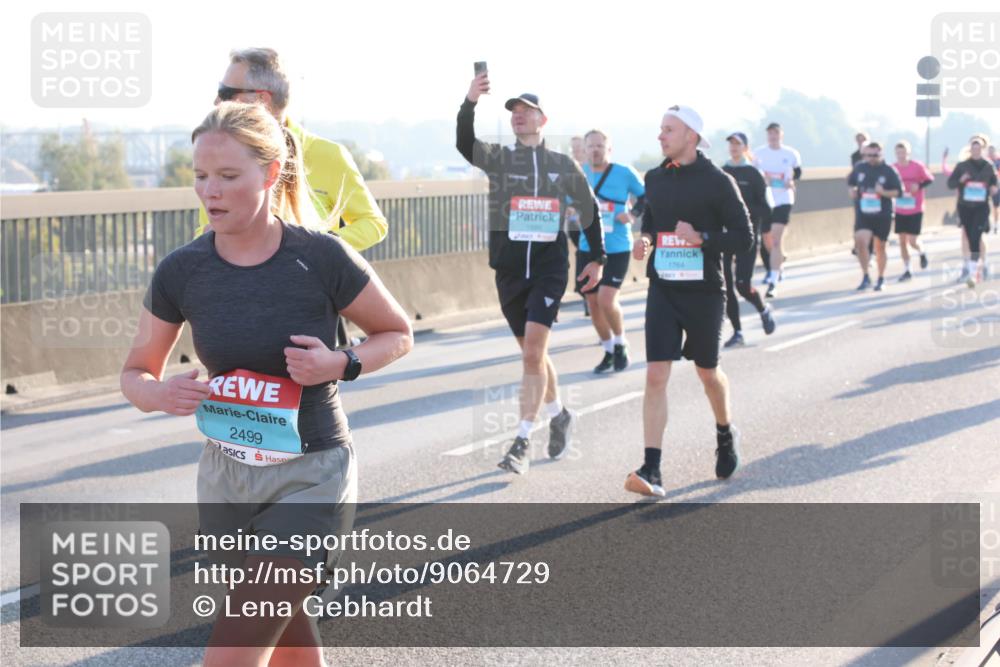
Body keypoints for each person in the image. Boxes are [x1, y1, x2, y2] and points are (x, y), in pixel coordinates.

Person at [120, 102, 413, 666]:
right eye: (201, 176)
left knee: (233, 649)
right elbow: (135, 372)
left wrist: (340, 363)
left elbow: (396, 333)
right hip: (229, 476)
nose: (211, 191)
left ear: (270, 174)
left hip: (311, 474)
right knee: (286, 642)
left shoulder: (321, 256)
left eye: (229, 177)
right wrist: (159, 395)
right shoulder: (183, 270)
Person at [456, 71, 606, 475]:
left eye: (527, 111)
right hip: (509, 272)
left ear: (543, 120)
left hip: (548, 270)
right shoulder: (501, 160)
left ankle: (521, 440)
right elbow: (464, 143)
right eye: (514, 112)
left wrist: (597, 258)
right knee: (532, 355)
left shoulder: (561, 165)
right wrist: (470, 102)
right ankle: (559, 414)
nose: (519, 116)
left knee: (534, 353)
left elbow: (589, 211)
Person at [208, 48, 389, 347]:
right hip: (240, 306)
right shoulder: (219, 156)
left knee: (311, 391)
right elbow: (207, 230)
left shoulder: (327, 155)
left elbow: (373, 223)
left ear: (261, 99)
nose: (217, 102)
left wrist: (318, 249)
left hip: (309, 308)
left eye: (227, 92)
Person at [624, 106, 752, 497]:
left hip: (705, 293)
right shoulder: (655, 177)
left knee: (707, 373)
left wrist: (704, 238)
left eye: (669, 130)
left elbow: (744, 238)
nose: (660, 136)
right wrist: (646, 240)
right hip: (663, 287)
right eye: (660, 129)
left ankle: (725, 432)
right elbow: (651, 220)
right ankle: (652, 468)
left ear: (691, 136)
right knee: (655, 374)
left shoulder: (718, 181)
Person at [579, 129, 645, 372]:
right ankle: (608, 350)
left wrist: (632, 214)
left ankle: (620, 342)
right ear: (585, 150)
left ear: (609, 149)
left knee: (607, 298)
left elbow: (646, 196)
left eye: (600, 146)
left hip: (617, 246)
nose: (595, 150)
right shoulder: (579, 173)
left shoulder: (624, 172)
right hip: (588, 246)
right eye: (591, 146)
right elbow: (564, 201)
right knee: (593, 302)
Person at [721, 132, 776, 347]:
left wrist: (742, 209)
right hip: (724, 236)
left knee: (743, 285)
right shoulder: (721, 172)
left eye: (737, 144)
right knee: (725, 285)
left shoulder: (754, 174)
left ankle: (763, 309)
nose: (733, 147)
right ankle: (737, 332)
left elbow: (766, 207)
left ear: (745, 147)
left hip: (747, 236)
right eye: (731, 144)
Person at [754, 122, 802, 297]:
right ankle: (777, 263)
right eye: (770, 134)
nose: (773, 136)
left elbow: (798, 172)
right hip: (766, 200)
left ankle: (773, 279)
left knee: (775, 238)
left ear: (781, 135)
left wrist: (791, 181)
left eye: (776, 133)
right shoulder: (759, 154)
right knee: (766, 238)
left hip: (783, 199)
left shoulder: (791, 154)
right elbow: (753, 175)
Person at [847, 141, 902, 291]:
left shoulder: (889, 171)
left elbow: (898, 192)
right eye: (868, 155)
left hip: (882, 213)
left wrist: (883, 192)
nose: (871, 158)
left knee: (880, 246)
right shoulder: (860, 168)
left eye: (874, 155)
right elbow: (851, 183)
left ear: (881, 154)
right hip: (863, 213)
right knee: (860, 242)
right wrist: (852, 191)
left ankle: (881, 277)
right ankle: (865, 275)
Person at [947, 134, 999, 288]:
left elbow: (994, 182)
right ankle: (970, 266)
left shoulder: (988, 166)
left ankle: (975, 270)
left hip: (981, 207)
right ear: (970, 149)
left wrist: (993, 188)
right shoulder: (962, 166)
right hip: (965, 206)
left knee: (976, 236)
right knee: (969, 236)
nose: (976, 151)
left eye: (978, 148)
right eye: (973, 148)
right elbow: (950, 183)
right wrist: (961, 180)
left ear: (982, 149)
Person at [891, 140, 934, 281]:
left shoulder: (917, 166)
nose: (901, 156)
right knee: (902, 241)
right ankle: (907, 269)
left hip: (915, 208)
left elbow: (930, 179)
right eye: (898, 153)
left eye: (903, 153)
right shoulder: (893, 168)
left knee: (913, 240)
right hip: (900, 208)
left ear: (908, 153)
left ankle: (922, 252)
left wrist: (919, 185)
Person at [989, 144, 1000, 232]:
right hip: (990, 187)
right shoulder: (987, 162)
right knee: (993, 206)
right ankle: (994, 224)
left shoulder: (998, 161)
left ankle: (996, 224)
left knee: (996, 207)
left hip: (998, 185)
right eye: (990, 151)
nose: (991, 153)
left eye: (992, 151)